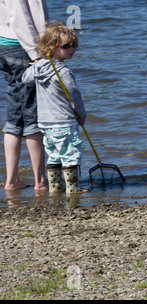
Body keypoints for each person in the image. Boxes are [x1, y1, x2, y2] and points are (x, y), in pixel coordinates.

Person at [22, 23, 88, 194]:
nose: (72, 49)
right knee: (70, 154)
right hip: (64, 121)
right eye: (67, 46)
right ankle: (73, 188)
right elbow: (74, 94)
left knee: (53, 154)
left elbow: (25, 79)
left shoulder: (38, 68)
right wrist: (81, 114)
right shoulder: (64, 72)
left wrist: (35, 66)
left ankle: (55, 187)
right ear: (52, 47)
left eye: (74, 45)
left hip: (45, 122)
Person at [0, 0, 49, 191]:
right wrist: (36, 54)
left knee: (15, 114)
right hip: (20, 47)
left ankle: (12, 180)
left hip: (7, 44)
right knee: (32, 114)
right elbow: (19, 15)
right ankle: (41, 182)